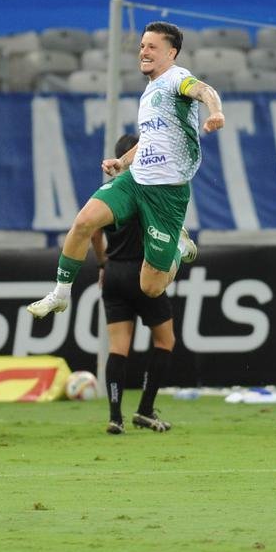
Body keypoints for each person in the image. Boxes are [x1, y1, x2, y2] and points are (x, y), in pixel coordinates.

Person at [27, 21, 222, 317]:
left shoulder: (177, 79)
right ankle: (60, 294)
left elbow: (205, 90)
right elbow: (150, 139)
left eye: (152, 47)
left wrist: (216, 112)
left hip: (166, 194)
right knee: (84, 222)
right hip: (135, 180)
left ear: (171, 53)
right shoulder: (151, 90)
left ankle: (179, 249)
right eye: (142, 46)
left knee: (151, 287)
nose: (144, 52)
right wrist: (122, 162)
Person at [94, 133, 176, 435]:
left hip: (114, 272)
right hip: (143, 273)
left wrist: (102, 263)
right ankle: (144, 409)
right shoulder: (147, 189)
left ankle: (115, 417)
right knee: (165, 341)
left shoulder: (108, 192)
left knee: (118, 348)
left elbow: (92, 231)